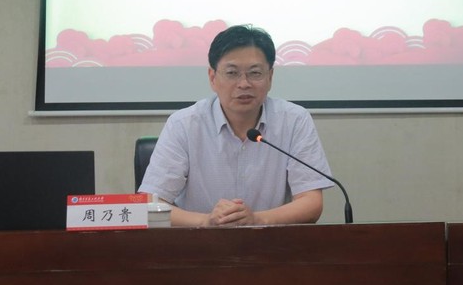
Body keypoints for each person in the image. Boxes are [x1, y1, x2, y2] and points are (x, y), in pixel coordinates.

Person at [138, 24, 334, 227]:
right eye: (232, 73)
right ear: (212, 78)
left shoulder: (294, 121)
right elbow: (150, 204)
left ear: (270, 77)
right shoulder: (184, 125)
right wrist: (207, 221)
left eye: (255, 73)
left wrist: (257, 219)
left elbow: (311, 202)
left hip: (270, 242)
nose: (244, 84)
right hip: (200, 242)